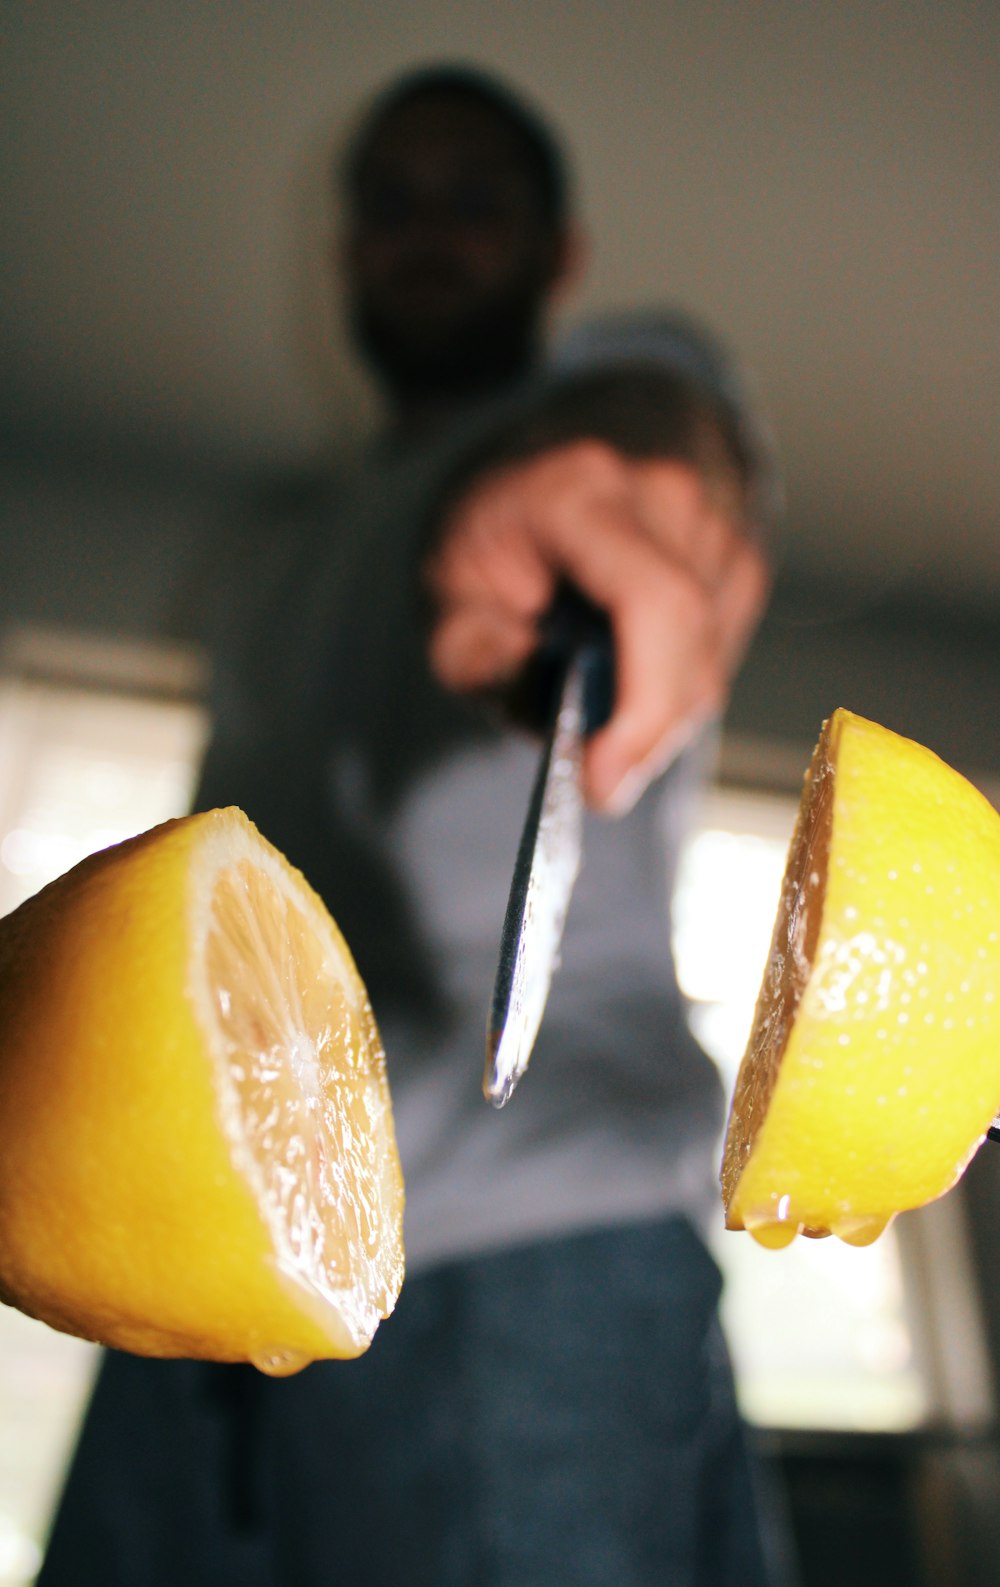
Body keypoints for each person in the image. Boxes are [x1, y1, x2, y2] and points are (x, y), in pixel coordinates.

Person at [38, 65, 783, 1586]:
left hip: (524, 1245)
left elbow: (658, 436)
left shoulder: (613, 393)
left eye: (472, 201)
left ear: (559, 256)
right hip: (199, 1275)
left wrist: (628, 491)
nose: (423, 234)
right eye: (387, 205)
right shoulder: (270, 563)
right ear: (344, 253)